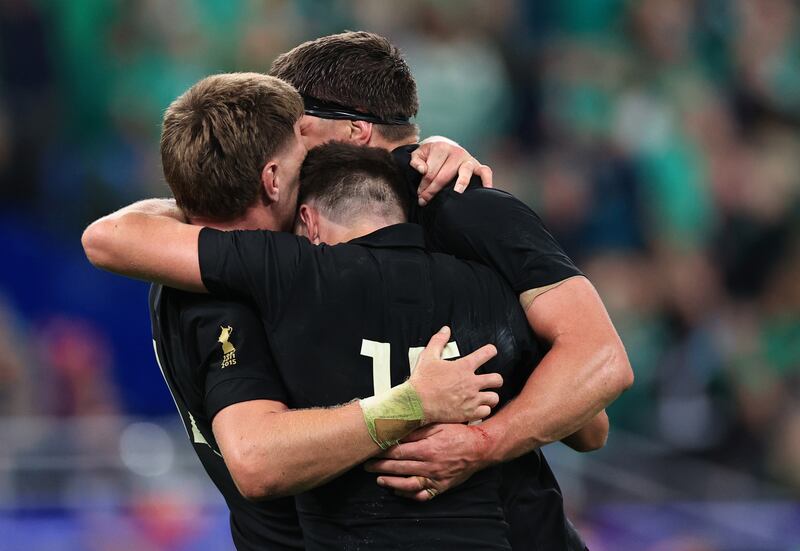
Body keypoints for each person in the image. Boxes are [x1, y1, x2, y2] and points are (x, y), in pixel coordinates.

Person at [84, 73, 498, 551]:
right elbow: (256, 459)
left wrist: (427, 153)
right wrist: (412, 402)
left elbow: (112, 233)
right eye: (304, 158)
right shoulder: (224, 301)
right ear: (273, 179)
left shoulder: (190, 260)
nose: (316, 166)